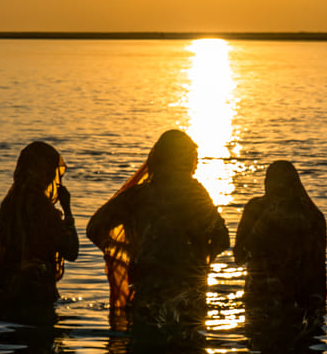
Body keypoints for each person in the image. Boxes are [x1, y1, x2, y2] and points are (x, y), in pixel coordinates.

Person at [87, 129, 230, 328]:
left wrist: (128, 252)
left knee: (144, 348)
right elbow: (222, 239)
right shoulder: (194, 195)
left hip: (147, 290)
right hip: (186, 293)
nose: (194, 165)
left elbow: (94, 228)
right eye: (191, 158)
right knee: (187, 351)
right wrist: (201, 260)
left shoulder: (137, 196)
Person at [0, 141, 79, 318]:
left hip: (4, 294)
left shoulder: (9, 202)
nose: (52, 178)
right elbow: (71, 251)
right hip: (35, 297)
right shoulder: (40, 206)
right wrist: (67, 210)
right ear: (42, 171)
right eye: (51, 172)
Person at [234, 160, 327, 312]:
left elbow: (318, 270)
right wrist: (263, 223)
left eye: (281, 188)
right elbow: (239, 256)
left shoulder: (312, 217)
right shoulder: (256, 209)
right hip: (261, 301)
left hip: (297, 303)